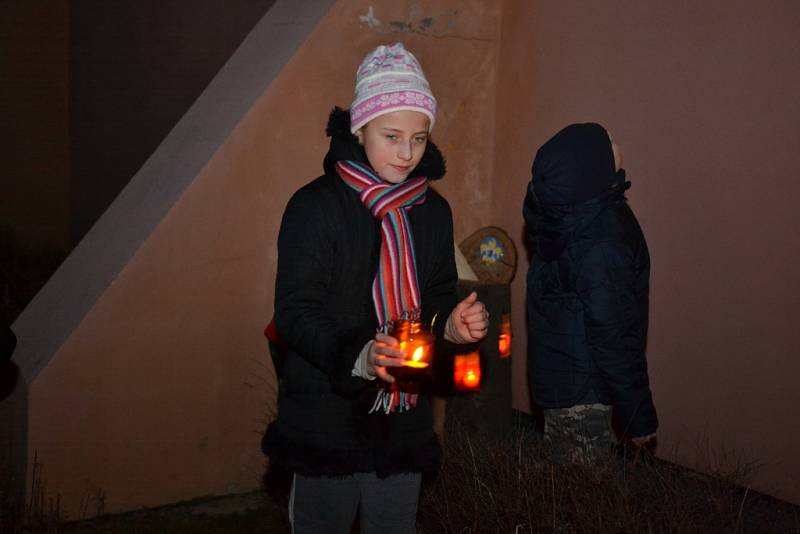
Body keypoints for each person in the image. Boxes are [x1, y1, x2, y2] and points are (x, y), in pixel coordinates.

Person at [262, 43, 489, 533]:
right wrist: (359, 355)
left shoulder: (433, 211)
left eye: (420, 138)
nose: (407, 154)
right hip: (327, 418)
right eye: (391, 136)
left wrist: (449, 323)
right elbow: (296, 311)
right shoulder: (315, 207)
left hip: (401, 424)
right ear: (359, 128)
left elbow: (433, 298)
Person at [523, 123, 657, 461]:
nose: (617, 140)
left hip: (561, 382)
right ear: (591, 163)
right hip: (582, 395)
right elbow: (613, 333)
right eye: (609, 139)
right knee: (579, 503)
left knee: (564, 497)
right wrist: (638, 416)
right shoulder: (602, 238)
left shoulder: (565, 216)